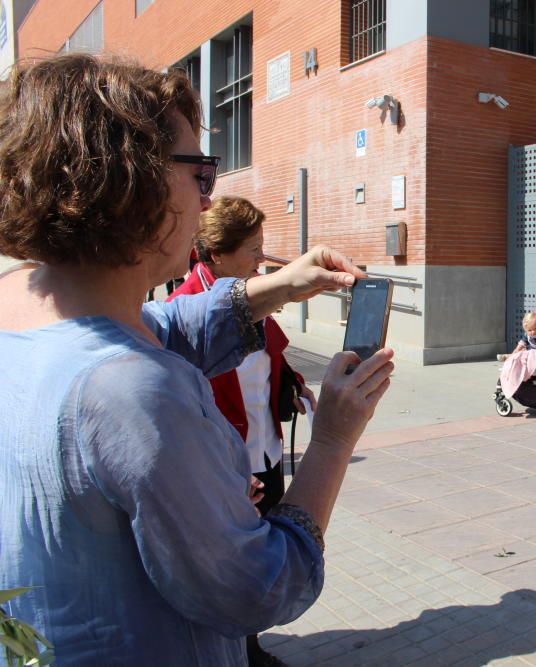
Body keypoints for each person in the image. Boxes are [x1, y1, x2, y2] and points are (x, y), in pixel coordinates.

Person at [0, 54, 394, 665]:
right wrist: (334, 439)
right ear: (133, 182)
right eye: (200, 176)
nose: (207, 205)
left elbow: (163, 326)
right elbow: (256, 586)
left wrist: (283, 285)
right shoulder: (131, 391)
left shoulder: (24, 308)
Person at [167, 197, 316, 667]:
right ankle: (239, 653)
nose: (261, 260)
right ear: (215, 255)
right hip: (225, 466)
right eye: (253, 249)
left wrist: (288, 386)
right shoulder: (181, 311)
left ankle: (251, 647)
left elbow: (270, 360)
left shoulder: (253, 297)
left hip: (265, 452)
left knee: (262, 557)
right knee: (233, 567)